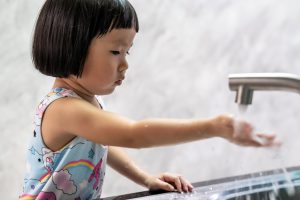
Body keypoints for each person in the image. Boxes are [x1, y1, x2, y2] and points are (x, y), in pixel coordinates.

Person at [20, 0, 278, 199]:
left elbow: (104, 145)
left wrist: (145, 178)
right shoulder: (64, 109)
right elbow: (135, 135)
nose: (125, 64)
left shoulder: (85, 103)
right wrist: (215, 126)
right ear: (70, 45)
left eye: (127, 51)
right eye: (115, 51)